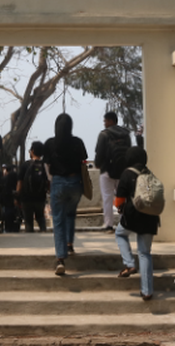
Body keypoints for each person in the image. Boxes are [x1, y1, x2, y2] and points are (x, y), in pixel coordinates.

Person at [113, 146, 159, 301]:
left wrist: (120, 208)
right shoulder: (150, 174)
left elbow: (119, 200)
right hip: (151, 216)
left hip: (133, 215)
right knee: (145, 253)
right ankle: (147, 292)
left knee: (120, 233)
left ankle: (129, 263)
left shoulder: (127, 174)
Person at [44, 113, 87, 275]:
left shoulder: (50, 143)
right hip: (75, 183)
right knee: (70, 213)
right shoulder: (78, 142)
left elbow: (47, 165)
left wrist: (51, 181)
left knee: (58, 220)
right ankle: (69, 244)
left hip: (58, 182)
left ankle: (60, 258)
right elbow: (84, 163)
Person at [94, 111, 131, 231]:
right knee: (122, 197)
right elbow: (129, 152)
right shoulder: (126, 134)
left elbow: (99, 153)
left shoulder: (104, 135)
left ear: (110, 121)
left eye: (105, 121)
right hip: (123, 171)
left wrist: (98, 164)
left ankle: (109, 224)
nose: (104, 123)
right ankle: (124, 223)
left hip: (107, 171)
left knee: (107, 198)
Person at [17, 141, 49, 233]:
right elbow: (48, 181)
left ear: (32, 151)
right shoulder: (45, 165)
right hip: (40, 197)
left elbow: (20, 182)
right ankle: (44, 234)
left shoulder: (25, 165)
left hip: (26, 197)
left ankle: (30, 236)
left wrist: (17, 194)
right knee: (41, 217)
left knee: (28, 220)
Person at [1, 164, 21, 232]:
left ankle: (7, 228)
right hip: (15, 198)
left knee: (7, 214)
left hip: (7, 199)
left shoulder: (5, 178)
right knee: (14, 214)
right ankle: (14, 227)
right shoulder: (16, 176)